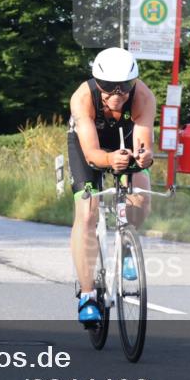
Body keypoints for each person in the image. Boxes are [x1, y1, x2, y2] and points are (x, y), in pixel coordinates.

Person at [67, 47, 155, 325]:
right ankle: (88, 295)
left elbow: (143, 144)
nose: (117, 94)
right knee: (87, 213)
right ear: (97, 83)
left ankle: (128, 244)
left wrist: (144, 156)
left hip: (124, 140)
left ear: (134, 83)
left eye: (125, 87)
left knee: (140, 195)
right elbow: (92, 154)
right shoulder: (83, 98)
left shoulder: (143, 97)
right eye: (108, 87)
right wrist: (108, 159)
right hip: (88, 145)